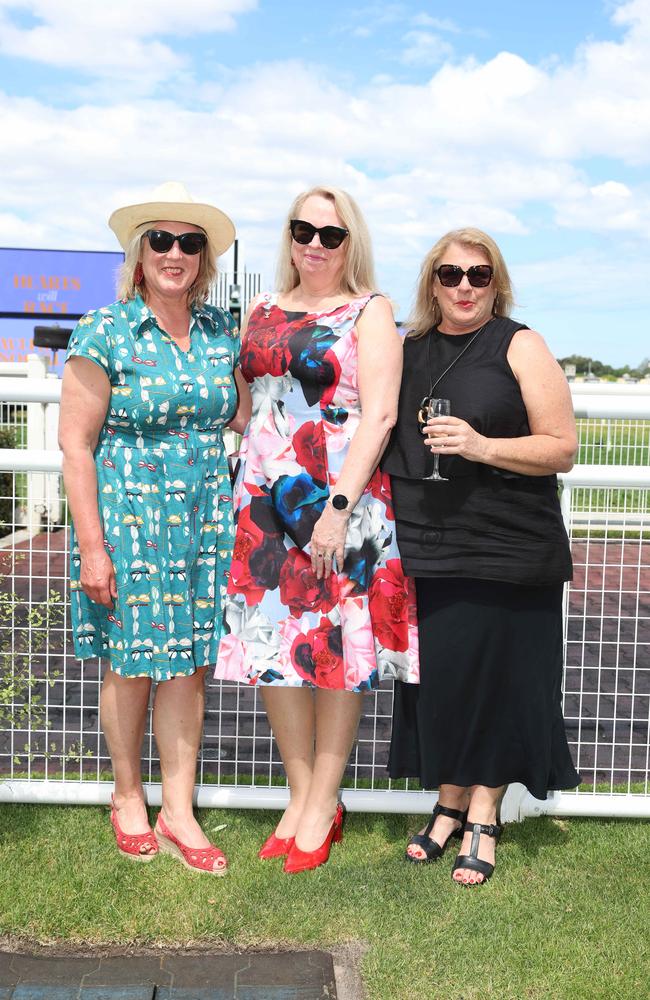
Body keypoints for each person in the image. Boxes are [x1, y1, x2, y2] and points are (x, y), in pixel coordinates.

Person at [214, 186, 418, 873]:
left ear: (349, 243)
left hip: (339, 502)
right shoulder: (264, 310)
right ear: (290, 235)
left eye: (330, 235)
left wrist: (336, 510)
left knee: (334, 652)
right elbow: (246, 400)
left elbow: (382, 416)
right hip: (263, 501)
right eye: (304, 230)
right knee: (274, 651)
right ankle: (304, 799)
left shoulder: (371, 310)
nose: (315, 244)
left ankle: (324, 797)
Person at [59, 181, 250, 874]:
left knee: (190, 667)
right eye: (160, 240)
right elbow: (75, 443)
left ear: (204, 258)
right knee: (132, 663)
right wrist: (91, 546)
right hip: (129, 518)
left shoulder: (221, 333)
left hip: (202, 520)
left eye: (189, 243)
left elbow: (242, 413)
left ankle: (179, 807)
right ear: (140, 254)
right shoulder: (105, 329)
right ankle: (128, 796)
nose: (175, 253)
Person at [382, 227, 581, 885]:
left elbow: (560, 447)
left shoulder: (520, 343)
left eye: (478, 274)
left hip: (512, 545)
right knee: (442, 682)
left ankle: (483, 817)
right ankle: (446, 803)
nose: (464, 286)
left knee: (499, 685)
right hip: (431, 542)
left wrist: (481, 445)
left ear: (496, 282)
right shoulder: (408, 348)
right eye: (450, 274)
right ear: (430, 281)